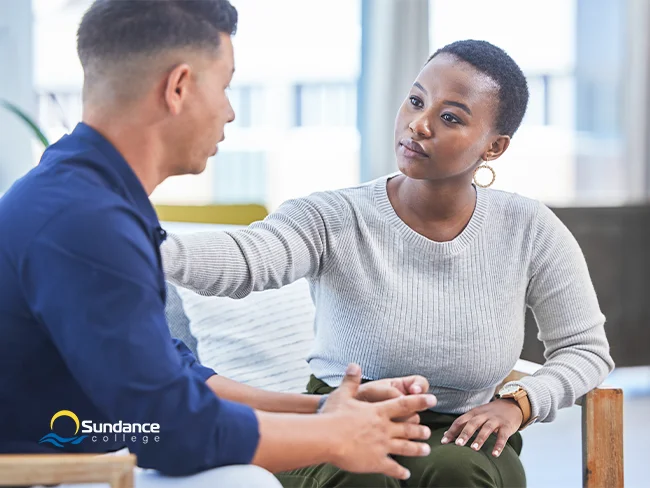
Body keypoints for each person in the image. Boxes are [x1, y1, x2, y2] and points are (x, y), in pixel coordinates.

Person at [0, 1, 440, 487]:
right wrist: (336, 437)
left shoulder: (82, 194)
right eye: (225, 86)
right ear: (179, 87)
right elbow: (171, 434)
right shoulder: (85, 221)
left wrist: (322, 409)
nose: (230, 112)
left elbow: (171, 374)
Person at [162, 39, 615, 488]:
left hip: (461, 430)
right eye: (416, 101)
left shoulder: (530, 228)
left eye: (450, 117)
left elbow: (586, 349)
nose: (418, 125)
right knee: (363, 477)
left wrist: (520, 402)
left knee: (460, 472)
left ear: (493, 147)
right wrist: (142, 245)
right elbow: (249, 257)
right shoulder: (332, 216)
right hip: (343, 414)